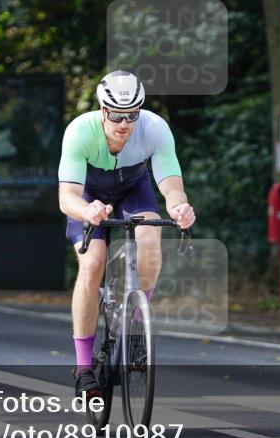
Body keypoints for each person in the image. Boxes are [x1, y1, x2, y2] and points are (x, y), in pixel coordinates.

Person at [58, 70, 195, 398]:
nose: (124, 123)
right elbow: (67, 198)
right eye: (117, 114)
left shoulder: (154, 128)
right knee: (93, 264)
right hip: (89, 194)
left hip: (134, 187)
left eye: (132, 114)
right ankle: (83, 366)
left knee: (150, 236)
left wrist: (180, 207)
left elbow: (171, 186)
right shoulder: (80, 131)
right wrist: (87, 210)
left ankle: (136, 325)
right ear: (103, 110)